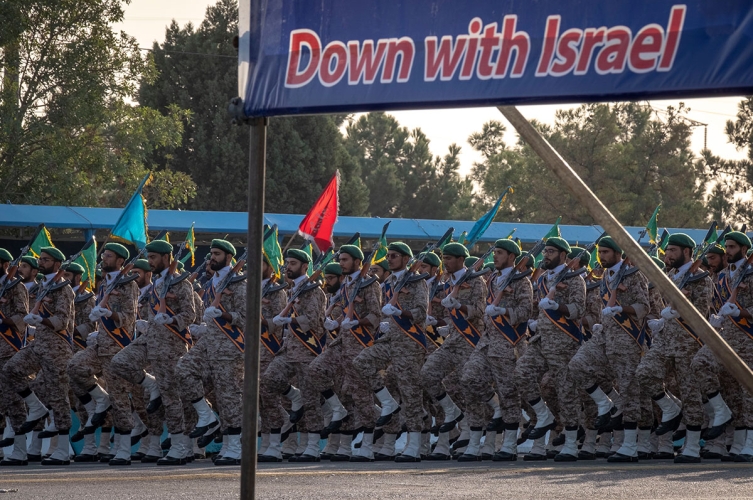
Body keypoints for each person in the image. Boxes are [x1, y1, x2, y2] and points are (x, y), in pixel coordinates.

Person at [110, 239, 197, 465]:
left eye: (154, 258)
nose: (150, 262)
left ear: (167, 258)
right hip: (151, 340)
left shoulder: (181, 284)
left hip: (171, 344)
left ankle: (178, 446)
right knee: (119, 362)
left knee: (171, 398)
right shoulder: (158, 283)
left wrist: (172, 319)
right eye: (149, 258)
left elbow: (190, 314)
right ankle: (151, 383)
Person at [354, 242, 429, 462]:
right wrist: (387, 321)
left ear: (406, 259)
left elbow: (421, 313)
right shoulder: (387, 282)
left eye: (394, 256)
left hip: (409, 343)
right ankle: (388, 403)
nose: (390, 259)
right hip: (389, 339)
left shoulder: (417, 282)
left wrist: (400, 312)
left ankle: (413, 446)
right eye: (388, 256)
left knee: (410, 391)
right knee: (362, 361)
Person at [460, 239, 532, 461]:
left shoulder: (522, 281)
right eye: (495, 253)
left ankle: (509, 446)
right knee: (469, 378)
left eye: (500, 253)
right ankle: (493, 411)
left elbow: (526, 311)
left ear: (511, 256)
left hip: (508, 343)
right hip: (487, 340)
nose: (495, 257)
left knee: (509, 392)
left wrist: (504, 310)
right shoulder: (492, 279)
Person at [68, 243, 139, 466]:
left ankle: (124, 450)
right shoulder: (105, 284)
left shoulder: (128, 285)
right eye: (104, 255)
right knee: (75, 367)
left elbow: (129, 317)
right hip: (100, 345)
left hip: (117, 348)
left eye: (108, 256)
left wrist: (109, 313)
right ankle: (100, 400)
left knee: (119, 399)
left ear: (120, 261)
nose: (104, 259)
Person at [4, 247, 75, 466]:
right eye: (40, 259)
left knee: (59, 397)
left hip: (57, 349)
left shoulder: (64, 289)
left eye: (46, 260)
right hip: (40, 346)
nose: (41, 262)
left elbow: (62, 322)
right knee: (11, 370)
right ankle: (35, 407)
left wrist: (40, 321)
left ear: (57, 264)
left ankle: (62, 451)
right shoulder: (45, 285)